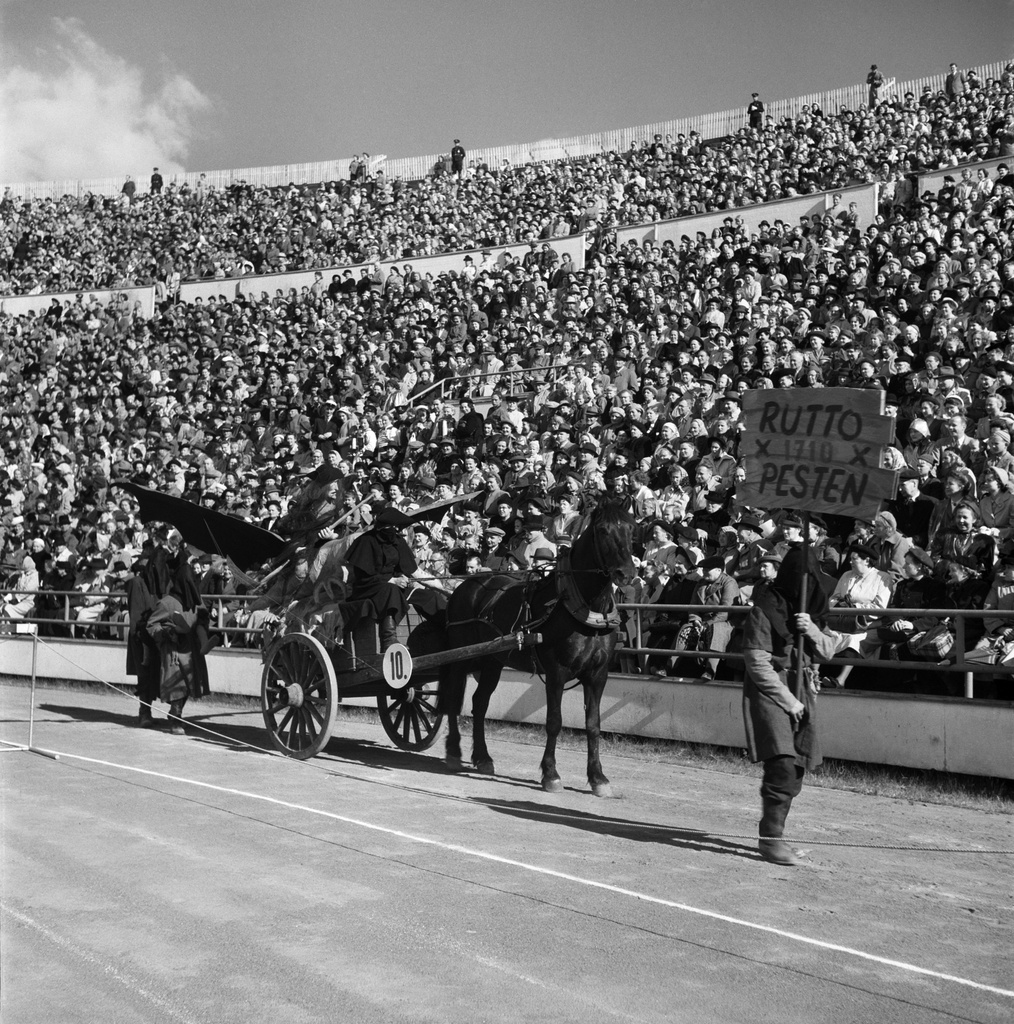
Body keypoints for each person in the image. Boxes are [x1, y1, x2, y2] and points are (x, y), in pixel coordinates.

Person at [741, 547, 835, 866]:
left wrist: (813, 631)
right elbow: (757, 662)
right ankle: (770, 840)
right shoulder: (764, 608)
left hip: (804, 689)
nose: (806, 584)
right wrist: (789, 701)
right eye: (802, 577)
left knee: (796, 767)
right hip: (772, 692)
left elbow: (829, 651)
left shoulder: (811, 609)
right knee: (781, 761)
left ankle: (775, 833)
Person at [343, 506, 418, 651]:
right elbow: (362, 576)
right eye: (390, 526)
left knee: (426, 597)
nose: (393, 530)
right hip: (367, 586)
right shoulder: (365, 541)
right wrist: (391, 580)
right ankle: (389, 640)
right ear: (382, 526)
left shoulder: (398, 541)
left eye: (396, 527)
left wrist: (402, 576)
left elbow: (406, 568)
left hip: (394, 585)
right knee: (390, 589)